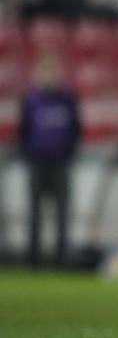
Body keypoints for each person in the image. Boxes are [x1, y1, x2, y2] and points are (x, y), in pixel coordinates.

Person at [19, 53, 81, 266]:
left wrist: (69, 154)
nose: (49, 75)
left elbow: (76, 129)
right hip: (37, 163)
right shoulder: (31, 99)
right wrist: (29, 155)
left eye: (52, 71)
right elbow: (23, 130)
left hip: (60, 163)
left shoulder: (67, 99)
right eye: (45, 71)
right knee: (34, 213)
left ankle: (61, 259)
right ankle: (33, 259)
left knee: (62, 213)